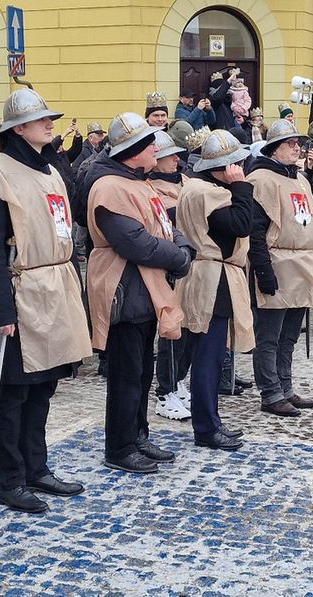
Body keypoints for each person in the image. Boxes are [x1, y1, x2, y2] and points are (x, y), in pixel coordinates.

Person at [0, 89, 93, 515]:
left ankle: (36, 468)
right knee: (14, 393)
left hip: (54, 287)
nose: (50, 124)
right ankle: (10, 480)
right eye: (41, 119)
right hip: (20, 294)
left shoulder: (50, 170)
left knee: (44, 387)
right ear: (18, 128)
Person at [84, 112, 193, 474]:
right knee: (126, 374)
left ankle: (138, 436)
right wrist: (179, 256)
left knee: (143, 370)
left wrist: (181, 248)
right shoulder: (110, 187)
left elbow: (166, 227)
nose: (157, 150)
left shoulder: (139, 182)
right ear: (133, 151)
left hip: (145, 287)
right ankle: (120, 446)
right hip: (124, 286)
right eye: (150, 145)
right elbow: (134, 242)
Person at [246, 120, 313, 416]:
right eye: (290, 143)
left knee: (289, 335)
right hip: (277, 261)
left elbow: (308, 213)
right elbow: (255, 230)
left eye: (298, 143)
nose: (297, 148)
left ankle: (286, 387)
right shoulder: (260, 180)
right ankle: (270, 392)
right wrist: (263, 271)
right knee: (269, 336)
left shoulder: (298, 178)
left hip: (301, 263)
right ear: (274, 149)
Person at [174, 129, 255, 449]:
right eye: (237, 164)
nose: (241, 168)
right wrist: (241, 187)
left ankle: (211, 421)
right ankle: (206, 427)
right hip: (212, 278)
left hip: (208, 274)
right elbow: (240, 225)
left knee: (209, 354)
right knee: (208, 357)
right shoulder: (207, 192)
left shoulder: (200, 188)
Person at [147, 132, 195, 420]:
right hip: (172, 264)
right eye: (170, 155)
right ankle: (165, 391)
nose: (177, 159)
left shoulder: (186, 181)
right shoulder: (151, 187)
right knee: (171, 329)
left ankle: (178, 380)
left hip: (193, 263)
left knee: (188, 330)